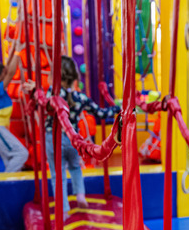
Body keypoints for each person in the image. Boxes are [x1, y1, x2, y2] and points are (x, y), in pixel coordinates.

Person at [27, 56, 120, 214]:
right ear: (75, 79)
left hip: (53, 139)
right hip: (73, 140)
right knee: (76, 168)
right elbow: (101, 114)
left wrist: (35, 91)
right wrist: (117, 107)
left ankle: (63, 208)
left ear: (53, 78)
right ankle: (80, 196)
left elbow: (39, 103)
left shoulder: (51, 95)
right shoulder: (81, 97)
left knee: (58, 175)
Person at [0, 45, 29, 172]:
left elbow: (7, 69)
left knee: (10, 159)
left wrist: (14, 46)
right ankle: (7, 179)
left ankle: (10, 184)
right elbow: (11, 73)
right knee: (21, 154)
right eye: (3, 73)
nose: (6, 72)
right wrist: (18, 52)